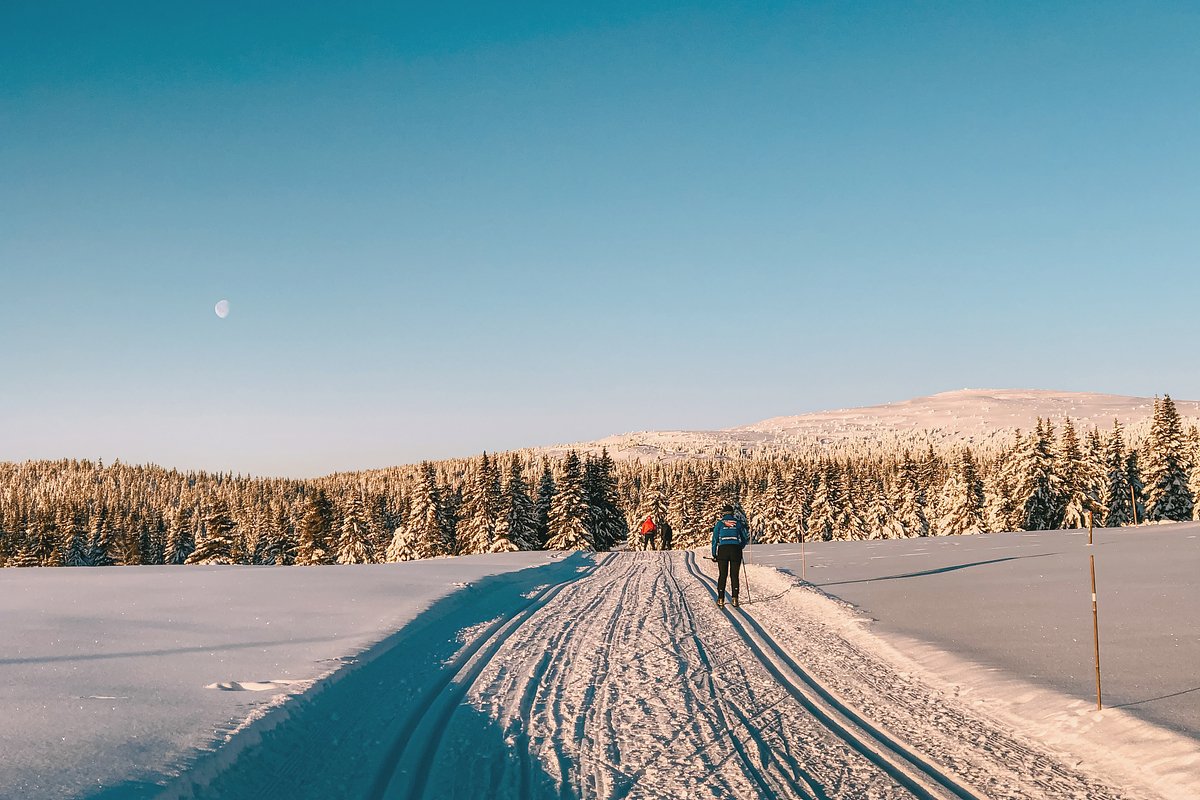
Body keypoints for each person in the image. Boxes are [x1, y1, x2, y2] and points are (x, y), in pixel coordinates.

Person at [711, 505, 749, 607]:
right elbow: (745, 537)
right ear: (732, 513)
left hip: (723, 549)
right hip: (735, 549)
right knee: (734, 575)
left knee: (723, 575)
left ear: (723, 513)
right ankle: (735, 598)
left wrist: (714, 554)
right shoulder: (738, 523)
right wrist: (740, 546)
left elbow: (714, 539)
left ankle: (720, 599)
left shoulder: (719, 524)